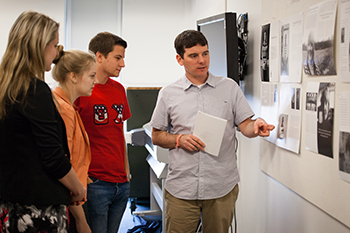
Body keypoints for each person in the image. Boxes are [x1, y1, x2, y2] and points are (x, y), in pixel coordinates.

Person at [150, 30, 275, 233]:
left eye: (205, 53)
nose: (202, 60)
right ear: (179, 60)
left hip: (221, 187)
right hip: (182, 188)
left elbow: (245, 125)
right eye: (193, 56)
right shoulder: (168, 94)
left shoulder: (229, 88)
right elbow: (157, 135)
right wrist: (179, 140)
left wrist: (256, 126)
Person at [0, 11, 86, 233]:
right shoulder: (34, 90)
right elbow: (53, 157)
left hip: (11, 201)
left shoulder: (6, 88)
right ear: (39, 46)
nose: (57, 52)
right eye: (55, 45)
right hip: (38, 208)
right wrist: (77, 188)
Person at [75, 32, 131, 233]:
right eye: (118, 57)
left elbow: (119, 133)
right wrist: (83, 178)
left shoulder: (119, 90)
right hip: (95, 182)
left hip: (121, 182)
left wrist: (126, 171)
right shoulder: (80, 91)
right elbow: (69, 139)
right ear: (99, 57)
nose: (122, 64)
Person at [52, 47, 98, 233]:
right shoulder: (63, 110)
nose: (95, 81)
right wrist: (80, 219)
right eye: (91, 76)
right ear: (73, 76)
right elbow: (63, 164)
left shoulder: (67, 106)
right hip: (69, 203)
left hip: (73, 198)